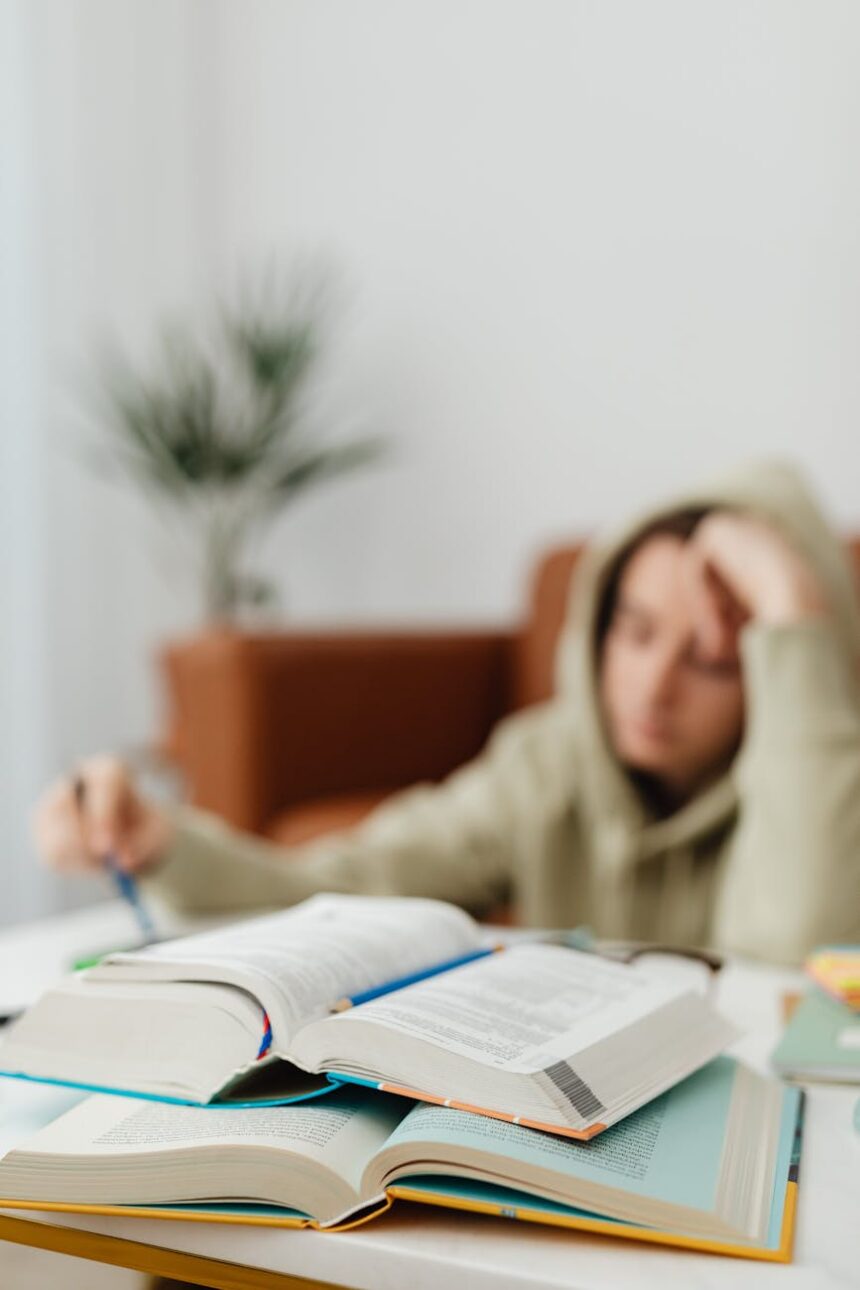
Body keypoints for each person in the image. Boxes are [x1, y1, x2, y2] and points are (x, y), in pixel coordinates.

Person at [33, 460, 860, 964]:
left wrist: (792, 610)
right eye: (633, 632)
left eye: (712, 659)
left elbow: (797, 968)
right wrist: (164, 840)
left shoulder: (825, 786)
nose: (653, 685)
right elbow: (336, 883)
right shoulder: (546, 763)